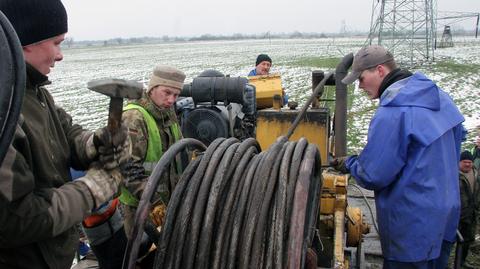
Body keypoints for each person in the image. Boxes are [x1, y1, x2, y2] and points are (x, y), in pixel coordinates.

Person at [0, 0, 130, 268]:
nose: (60, 55)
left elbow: (68, 134)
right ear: (24, 40)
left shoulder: (35, 92)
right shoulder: (5, 108)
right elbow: (12, 219)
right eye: (56, 43)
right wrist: (91, 190)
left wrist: (96, 142)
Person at [332, 45, 465, 268]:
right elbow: (456, 143)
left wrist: (350, 164)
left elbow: (373, 174)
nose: (360, 85)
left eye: (362, 78)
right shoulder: (440, 98)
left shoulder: (393, 112)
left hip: (410, 224)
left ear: (380, 70)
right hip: (445, 216)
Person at [120, 65, 186, 241]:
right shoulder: (134, 118)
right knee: (141, 254)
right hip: (140, 208)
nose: (171, 99)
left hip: (169, 202)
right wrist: (153, 201)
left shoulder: (168, 114)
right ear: (152, 88)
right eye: (167, 92)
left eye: (176, 95)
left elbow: (180, 152)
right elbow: (126, 169)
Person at [458, 150, 480, 269]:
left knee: (467, 240)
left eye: (470, 162)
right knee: (449, 240)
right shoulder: (454, 174)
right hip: (456, 214)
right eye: (465, 162)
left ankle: (461, 262)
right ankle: (443, 263)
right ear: (459, 162)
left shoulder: (475, 172)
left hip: (471, 213)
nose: (467, 164)